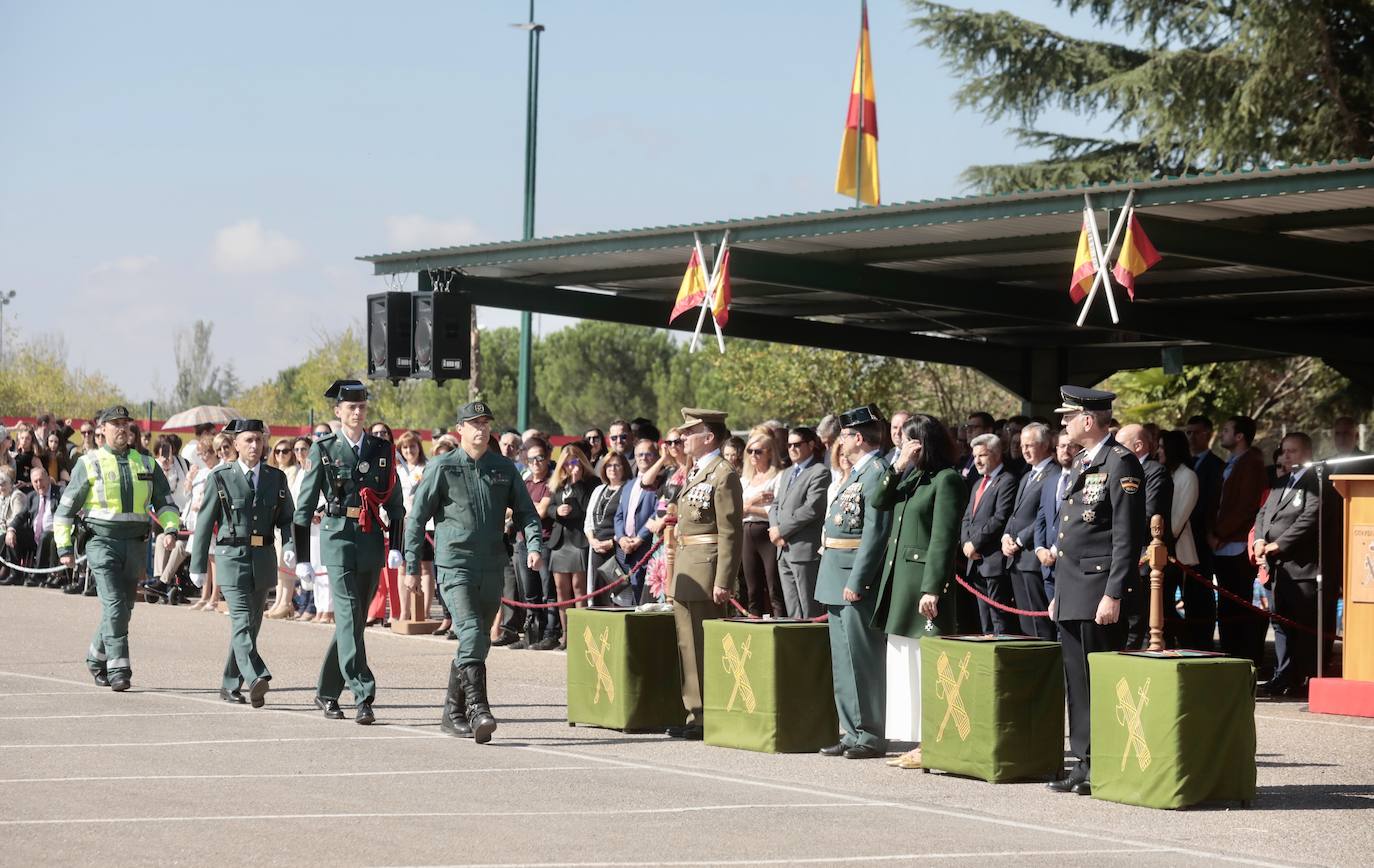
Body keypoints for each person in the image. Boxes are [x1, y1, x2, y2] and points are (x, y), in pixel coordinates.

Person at [404, 401, 543, 743]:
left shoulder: (504, 468)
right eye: (473, 424)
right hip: (455, 565)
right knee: (469, 632)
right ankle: (478, 709)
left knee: (480, 639)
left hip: (493, 565)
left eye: (485, 423)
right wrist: (410, 565)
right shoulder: (442, 467)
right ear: (460, 429)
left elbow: (527, 511)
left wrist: (535, 544)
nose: (481, 429)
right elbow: (416, 517)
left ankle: (452, 711)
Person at [1046, 387, 1144, 797]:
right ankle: (1083, 762)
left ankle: (1103, 761)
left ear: (1088, 420)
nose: (1064, 424)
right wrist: (1059, 593)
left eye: (1068, 418)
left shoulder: (1120, 462)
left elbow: (1126, 536)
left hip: (1099, 588)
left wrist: (1114, 592)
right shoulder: (1085, 462)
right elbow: (1072, 533)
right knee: (1076, 681)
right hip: (1073, 588)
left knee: (1097, 680)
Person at [292, 380, 405, 725]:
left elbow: (396, 505)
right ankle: (363, 693)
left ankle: (326, 693)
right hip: (338, 537)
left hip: (370, 538)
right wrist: (302, 559)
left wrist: (397, 546)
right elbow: (304, 507)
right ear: (338, 412)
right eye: (350, 408)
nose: (357, 413)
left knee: (351, 622)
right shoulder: (323, 449)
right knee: (351, 614)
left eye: (362, 407)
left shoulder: (381, 449)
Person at [54, 406, 182, 691]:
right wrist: (65, 548)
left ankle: (95, 659)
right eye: (116, 424)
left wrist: (171, 526)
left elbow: (165, 503)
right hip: (101, 542)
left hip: (135, 544)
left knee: (123, 609)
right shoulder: (89, 463)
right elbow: (64, 511)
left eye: (126, 424)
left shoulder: (146, 463)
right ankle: (119, 670)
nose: (122, 429)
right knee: (113, 604)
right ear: (102, 430)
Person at [870, 413, 966, 770]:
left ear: (922, 443)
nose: (902, 446)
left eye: (908, 441)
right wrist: (899, 466)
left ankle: (935, 742)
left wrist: (933, 588)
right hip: (901, 586)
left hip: (923, 587)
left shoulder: (947, 480)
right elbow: (879, 500)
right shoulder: (913, 478)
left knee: (927, 667)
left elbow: (943, 539)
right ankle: (919, 741)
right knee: (905, 664)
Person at [188, 420, 295, 707]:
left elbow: (287, 518)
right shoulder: (221, 476)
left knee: (252, 624)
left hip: (262, 558)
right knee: (240, 622)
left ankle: (229, 683)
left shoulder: (275, 477)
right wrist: (197, 564)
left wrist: (291, 546)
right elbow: (205, 520)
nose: (254, 445)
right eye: (248, 440)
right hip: (231, 558)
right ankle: (256, 675)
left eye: (258, 440)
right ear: (235, 444)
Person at [817, 404, 892, 760]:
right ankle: (850, 730)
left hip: (853, 576)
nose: (840, 442)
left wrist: (860, 579)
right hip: (835, 571)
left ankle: (871, 732)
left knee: (862, 659)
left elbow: (876, 534)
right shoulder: (856, 473)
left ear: (858, 438)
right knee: (843, 660)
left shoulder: (876, 472)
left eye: (845, 435)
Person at [666, 408, 743, 740]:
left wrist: (723, 579)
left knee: (702, 643)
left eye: (689, 432)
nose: (683, 438)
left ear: (708, 436)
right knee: (687, 644)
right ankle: (694, 712)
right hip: (687, 564)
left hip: (707, 568)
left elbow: (730, 532)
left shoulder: (722, 474)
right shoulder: (695, 469)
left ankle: (708, 713)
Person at [1253, 433, 1321, 698]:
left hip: (1301, 568)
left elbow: (1309, 518)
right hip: (1276, 569)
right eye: (1284, 451)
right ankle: (1282, 675)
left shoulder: (1316, 481)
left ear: (1306, 452)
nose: (1286, 456)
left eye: (1292, 451)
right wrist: (1260, 539)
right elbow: (1263, 513)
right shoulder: (1281, 483)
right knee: (1280, 624)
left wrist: (1278, 544)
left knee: (1301, 626)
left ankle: (1301, 678)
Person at [1211, 415, 1266, 667]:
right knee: (1226, 604)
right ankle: (1229, 653)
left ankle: (1242, 658)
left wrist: (1221, 533)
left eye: (1226, 430)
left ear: (1240, 436)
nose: (1221, 434)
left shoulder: (1251, 463)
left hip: (1236, 544)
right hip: (1222, 544)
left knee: (1239, 605)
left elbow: (1246, 506)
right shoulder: (1232, 462)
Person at [1116, 423, 1173, 649]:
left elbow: (1149, 514)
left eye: (1121, 445)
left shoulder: (1154, 471)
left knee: (1138, 622)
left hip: (1143, 556)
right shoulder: (1121, 470)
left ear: (1138, 445)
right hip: (1122, 553)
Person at [1001, 422, 1058, 639]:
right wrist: (1006, 535)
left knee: (1039, 623)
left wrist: (1020, 540)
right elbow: (1015, 514)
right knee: (1026, 623)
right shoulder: (1027, 475)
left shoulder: (1054, 474)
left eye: (1030, 445)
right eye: (1022, 445)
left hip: (1033, 556)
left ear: (1044, 445)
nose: (1024, 450)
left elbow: (1046, 516)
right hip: (1016, 559)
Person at [959, 433, 1019, 634]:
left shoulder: (1007, 481)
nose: (977, 460)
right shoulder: (978, 483)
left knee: (998, 618)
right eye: (974, 456)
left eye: (982, 455)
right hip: (975, 561)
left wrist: (974, 543)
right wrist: (966, 543)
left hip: (993, 561)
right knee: (984, 620)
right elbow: (967, 517)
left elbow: (1000, 518)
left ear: (995, 454)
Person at [768, 426, 830, 619]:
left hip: (804, 550)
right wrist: (773, 529)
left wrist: (782, 531)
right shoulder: (787, 473)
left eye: (797, 444)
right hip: (783, 550)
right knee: (793, 609)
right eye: (789, 445)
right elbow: (775, 505)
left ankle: (813, 649)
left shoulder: (819, 471)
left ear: (811, 445)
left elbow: (812, 509)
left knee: (809, 609)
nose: (792, 449)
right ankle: (797, 647)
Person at [1032, 429, 1080, 640]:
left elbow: (1077, 522)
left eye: (1071, 445)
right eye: (1061, 446)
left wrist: (1055, 549)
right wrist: (1040, 548)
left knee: (1068, 629)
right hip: (1047, 566)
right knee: (1053, 624)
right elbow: (1041, 518)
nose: (1065, 450)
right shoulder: (1051, 480)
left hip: (1069, 563)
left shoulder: (1083, 479)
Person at [546, 443, 596, 649]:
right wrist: (557, 510)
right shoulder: (559, 483)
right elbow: (548, 506)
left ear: (582, 462)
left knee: (578, 589)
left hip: (578, 540)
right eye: (566, 462)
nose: (570, 466)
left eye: (575, 461)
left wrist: (576, 482)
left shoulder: (591, 483)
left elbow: (587, 508)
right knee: (561, 590)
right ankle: (566, 636)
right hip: (560, 541)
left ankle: (581, 635)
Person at [1182, 414, 1223, 649]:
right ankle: (1189, 638)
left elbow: (1211, 503)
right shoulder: (1184, 463)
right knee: (1186, 596)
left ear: (1208, 434)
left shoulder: (1216, 466)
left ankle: (1204, 641)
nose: (1191, 437)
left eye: (1196, 432)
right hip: (1184, 539)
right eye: (1188, 432)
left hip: (1203, 539)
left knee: (1202, 592)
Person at [512, 437, 556, 649]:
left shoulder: (551, 483)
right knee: (529, 593)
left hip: (545, 543)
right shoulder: (525, 482)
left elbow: (540, 512)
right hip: (522, 542)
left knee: (548, 591)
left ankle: (550, 632)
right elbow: (510, 509)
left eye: (540, 458)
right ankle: (531, 634)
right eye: (531, 459)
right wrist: (529, 508)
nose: (536, 463)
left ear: (547, 458)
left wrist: (526, 508)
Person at [1159, 430, 1200, 644]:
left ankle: (1184, 642)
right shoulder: (1165, 473)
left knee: (1168, 605)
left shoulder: (1188, 476)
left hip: (1177, 552)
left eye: (1162, 447)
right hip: (1160, 551)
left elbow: (1177, 522)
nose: (1159, 451)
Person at [739, 428, 783, 617]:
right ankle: (753, 627)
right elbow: (735, 512)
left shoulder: (778, 477)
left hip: (767, 532)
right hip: (746, 532)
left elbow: (774, 512)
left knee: (774, 587)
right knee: (752, 589)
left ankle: (782, 625)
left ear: (770, 452)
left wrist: (748, 507)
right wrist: (753, 502)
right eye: (750, 451)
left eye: (758, 451)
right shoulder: (745, 480)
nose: (753, 455)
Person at [393, 430, 436, 625]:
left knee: (426, 567)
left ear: (419, 447)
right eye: (405, 447)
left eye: (413, 446)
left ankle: (424, 611)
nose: (409, 450)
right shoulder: (397, 471)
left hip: (425, 524)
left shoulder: (427, 468)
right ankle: (404, 611)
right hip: (403, 524)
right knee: (403, 567)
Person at [265, 438, 302, 619]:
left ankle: (286, 602)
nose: (281, 454)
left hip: (289, 520)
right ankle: (279, 600)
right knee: (279, 564)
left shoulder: (293, 471)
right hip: (277, 522)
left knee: (287, 564)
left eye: (285, 451)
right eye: (277, 451)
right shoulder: (276, 471)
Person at [9, 465, 64, 586]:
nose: (39, 484)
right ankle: (15, 574)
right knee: (10, 536)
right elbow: (20, 516)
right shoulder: (32, 497)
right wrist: (11, 529)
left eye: (41, 480)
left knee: (45, 536)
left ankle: (38, 575)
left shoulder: (60, 493)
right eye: (35, 481)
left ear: (48, 479)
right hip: (35, 535)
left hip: (55, 534)